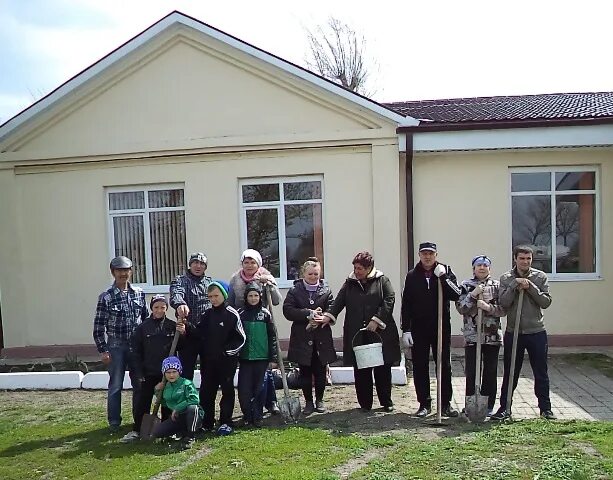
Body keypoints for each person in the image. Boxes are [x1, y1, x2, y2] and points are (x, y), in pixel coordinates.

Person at [324, 251, 400, 413]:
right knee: (361, 369)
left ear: (369, 268)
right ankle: (365, 404)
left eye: (360, 268)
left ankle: (386, 401)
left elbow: (389, 299)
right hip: (357, 332)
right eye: (355, 268)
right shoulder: (350, 283)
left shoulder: (382, 280)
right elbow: (339, 301)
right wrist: (328, 316)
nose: (357, 271)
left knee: (382, 369)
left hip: (380, 333)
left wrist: (376, 320)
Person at [491, 245, 555, 420]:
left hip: (536, 332)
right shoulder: (506, 278)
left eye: (528, 259)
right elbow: (503, 302)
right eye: (522, 258)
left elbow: (545, 302)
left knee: (540, 372)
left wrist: (530, 287)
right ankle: (505, 408)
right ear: (515, 259)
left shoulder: (540, 277)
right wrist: (514, 285)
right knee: (511, 372)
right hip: (514, 332)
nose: (525, 262)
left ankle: (545, 409)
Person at [401, 242, 462, 418]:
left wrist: (443, 278)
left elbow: (456, 294)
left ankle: (445, 404)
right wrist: (406, 329)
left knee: (444, 364)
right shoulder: (412, 276)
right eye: (424, 253)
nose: (427, 257)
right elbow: (407, 304)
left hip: (441, 326)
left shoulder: (446, 271)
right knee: (420, 365)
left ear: (436, 255)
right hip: (419, 328)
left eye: (431, 253)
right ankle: (424, 404)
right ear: (420, 255)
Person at [93, 255, 148, 433]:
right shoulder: (106, 297)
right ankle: (114, 422)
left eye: (126, 270)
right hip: (115, 346)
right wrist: (103, 350)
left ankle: (138, 419)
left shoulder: (139, 293)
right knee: (116, 385)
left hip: (136, 346)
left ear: (131, 271)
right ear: (113, 272)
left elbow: (146, 320)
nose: (123, 274)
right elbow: (98, 327)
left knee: (139, 383)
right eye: (119, 271)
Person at [184, 281, 245, 435]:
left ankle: (225, 421)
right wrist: (187, 326)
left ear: (224, 295)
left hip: (226, 363)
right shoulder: (206, 314)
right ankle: (207, 422)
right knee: (206, 392)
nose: (213, 299)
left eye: (216, 295)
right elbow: (199, 334)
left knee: (227, 392)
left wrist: (226, 353)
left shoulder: (232, 314)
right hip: (208, 362)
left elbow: (241, 338)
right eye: (210, 296)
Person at [119, 295, 181, 443]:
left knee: (167, 401)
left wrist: (183, 332)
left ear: (166, 308)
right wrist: (139, 372)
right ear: (151, 308)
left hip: (167, 373)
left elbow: (182, 346)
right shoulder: (142, 328)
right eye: (156, 307)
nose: (159, 310)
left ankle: (168, 430)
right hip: (148, 372)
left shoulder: (172, 326)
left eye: (162, 307)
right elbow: (136, 352)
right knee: (143, 402)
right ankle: (137, 429)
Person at [228, 248, 282, 415]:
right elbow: (230, 301)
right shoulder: (235, 279)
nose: (249, 265)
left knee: (266, 370)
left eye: (253, 262)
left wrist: (270, 284)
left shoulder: (265, 276)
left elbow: (277, 300)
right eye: (246, 262)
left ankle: (271, 402)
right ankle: (251, 406)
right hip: (242, 322)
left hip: (261, 322)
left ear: (258, 264)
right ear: (242, 263)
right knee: (250, 372)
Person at [283, 257, 337, 415]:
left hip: (321, 337)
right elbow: (288, 310)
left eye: (316, 274)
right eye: (310, 274)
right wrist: (307, 313)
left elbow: (332, 308)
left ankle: (319, 400)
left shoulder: (326, 290)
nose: (313, 277)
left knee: (320, 371)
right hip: (302, 337)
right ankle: (308, 402)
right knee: (305, 372)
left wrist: (325, 317)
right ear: (303, 274)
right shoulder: (295, 291)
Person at [455, 255, 505, 416]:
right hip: (472, 337)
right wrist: (473, 294)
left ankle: (488, 405)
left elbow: (504, 309)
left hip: (492, 337)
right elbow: (461, 308)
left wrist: (488, 307)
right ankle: (471, 404)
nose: (482, 268)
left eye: (485, 265)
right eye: (478, 265)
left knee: (490, 371)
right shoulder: (465, 285)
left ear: (489, 268)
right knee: (471, 371)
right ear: (473, 268)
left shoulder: (497, 286)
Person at [237, 282, 277, 427]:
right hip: (246, 358)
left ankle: (258, 416)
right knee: (244, 389)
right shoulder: (241, 314)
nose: (253, 298)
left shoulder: (265, 314)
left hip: (262, 358)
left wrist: (273, 358)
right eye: (250, 296)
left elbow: (272, 337)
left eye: (256, 295)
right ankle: (247, 415)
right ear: (245, 297)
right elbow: (237, 337)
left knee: (260, 389)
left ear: (260, 297)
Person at [169, 252, 212, 380]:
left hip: (206, 334)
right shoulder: (180, 280)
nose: (198, 266)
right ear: (190, 264)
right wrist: (180, 304)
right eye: (195, 263)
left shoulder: (210, 283)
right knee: (186, 372)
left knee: (209, 373)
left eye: (202, 264)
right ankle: (185, 398)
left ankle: (205, 400)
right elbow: (176, 293)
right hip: (187, 333)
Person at [152, 356, 204, 450]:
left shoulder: (186, 383)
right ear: (164, 373)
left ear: (179, 372)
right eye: (168, 372)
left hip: (191, 414)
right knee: (157, 432)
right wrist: (157, 391)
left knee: (192, 408)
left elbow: (194, 400)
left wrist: (177, 408)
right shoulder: (166, 387)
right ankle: (181, 431)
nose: (171, 375)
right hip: (177, 417)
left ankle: (190, 436)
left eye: (174, 372)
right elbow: (165, 403)